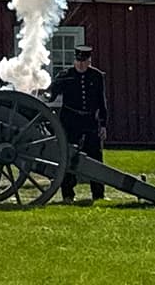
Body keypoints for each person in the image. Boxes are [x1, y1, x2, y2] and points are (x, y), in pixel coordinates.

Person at [46, 45, 108, 202]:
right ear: (75, 60)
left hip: (90, 120)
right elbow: (51, 96)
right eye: (78, 61)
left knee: (95, 156)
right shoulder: (65, 75)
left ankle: (98, 194)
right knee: (67, 156)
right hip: (70, 120)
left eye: (84, 61)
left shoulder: (97, 76)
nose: (81, 65)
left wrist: (103, 124)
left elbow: (102, 102)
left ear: (89, 61)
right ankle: (68, 194)